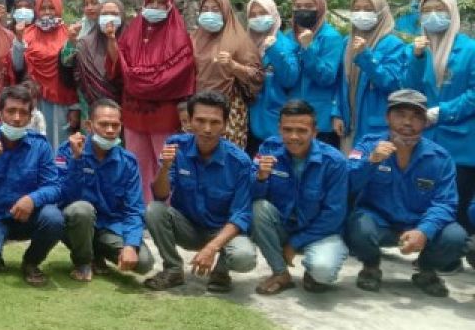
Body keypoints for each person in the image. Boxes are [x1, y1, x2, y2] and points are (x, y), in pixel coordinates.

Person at [346, 89, 468, 297]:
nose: (408, 123)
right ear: (387, 117)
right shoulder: (367, 145)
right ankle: (371, 266)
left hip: (419, 223)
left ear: (425, 122)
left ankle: (426, 268)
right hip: (378, 222)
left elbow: (446, 203)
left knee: (456, 237)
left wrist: (424, 231)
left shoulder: (440, 157)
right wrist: (371, 162)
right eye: (400, 115)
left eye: (416, 117)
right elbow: (346, 184)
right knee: (357, 227)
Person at [143, 90, 258, 293]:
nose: (207, 129)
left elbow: (241, 215)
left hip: (221, 232)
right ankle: (173, 269)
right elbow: (160, 195)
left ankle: (221, 272)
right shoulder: (176, 146)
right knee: (154, 210)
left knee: (244, 257)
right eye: (200, 120)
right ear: (189, 121)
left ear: (224, 124)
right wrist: (165, 167)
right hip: (188, 227)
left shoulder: (239, 162)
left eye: (214, 122)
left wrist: (212, 248)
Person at [0, 84, 65, 286]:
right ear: (0, 113)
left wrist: (32, 199)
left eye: (23, 113)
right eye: (11, 111)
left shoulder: (40, 145)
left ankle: (31, 262)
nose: (17, 118)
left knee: (54, 218)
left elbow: (55, 187)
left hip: (25, 215)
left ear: (30, 117)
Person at [251, 100, 349, 295]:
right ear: (279, 129)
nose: (293, 136)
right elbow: (251, 196)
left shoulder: (334, 161)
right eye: (287, 130)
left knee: (323, 271)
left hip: (321, 232)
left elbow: (334, 215)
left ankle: (313, 270)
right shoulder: (268, 149)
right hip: (284, 226)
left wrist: (295, 244)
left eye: (302, 131)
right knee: (258, 208)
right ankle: (280, 273)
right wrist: (260, 178)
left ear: (314, 132)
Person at [111, 0, 197, 203]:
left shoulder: (179, 36)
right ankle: (137, 209)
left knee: (165, 161)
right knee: (136, 161)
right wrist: (147, 77)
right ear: (144, 4)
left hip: (164, 116)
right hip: (134, 113)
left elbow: (178, 73)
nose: (156, 7)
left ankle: (165, 212)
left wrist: (138, 78)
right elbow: (118, 66)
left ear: (170, 6)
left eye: (161, 3)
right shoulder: (132, 32)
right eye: (152, 2)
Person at [402, 0, 475, 232]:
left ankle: (453, 250)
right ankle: (427, 246)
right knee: (424, 195)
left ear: (453, 13)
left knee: (456, 199)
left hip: (459, 137)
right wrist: (417, 58)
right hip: (423, 136)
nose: (433, 15)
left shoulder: (469, 49)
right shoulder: (417, 48)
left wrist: (440, 112)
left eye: (439, 10)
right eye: (426, 11)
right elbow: (408, 89)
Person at [57, 99, 153, 281]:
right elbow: (63, 197)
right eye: (103, 124)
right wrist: (76, 160)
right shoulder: (67, 151)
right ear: (89, 125)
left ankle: (97, 254)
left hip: (109, 227)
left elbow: (134, 208)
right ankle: (83, 261)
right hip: (75, 223)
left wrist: (131, 245)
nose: (110, 130)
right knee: (81, 209)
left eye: (115, 125)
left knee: (144, 263)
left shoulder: (128, 161)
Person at [192, 0, 264, 148]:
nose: (209, 14)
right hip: (198, 106)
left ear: (225, 11)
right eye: (205, 9)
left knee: (227, 156)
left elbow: (257, 75)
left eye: (215, 10)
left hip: (229, 108)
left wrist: (234, 66)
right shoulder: (194, 39)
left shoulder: (240, 40)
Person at [340, 0, 405, 151]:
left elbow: (392, 83)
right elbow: (339, 82)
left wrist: (365, 56)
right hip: (347, 124)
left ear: (381, 12)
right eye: (357, 9)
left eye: (368, 9)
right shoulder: (347, 42)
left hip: (375, 126)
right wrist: (336, 113)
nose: (361, 14)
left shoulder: (393, 44)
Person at [16, 0, 80, 147]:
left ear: (58, 8)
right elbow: (17, 66)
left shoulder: (68, 34)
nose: (46, 12)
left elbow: (74, 73)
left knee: (59, 144)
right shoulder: (27, 33)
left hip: (61, 100)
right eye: (43, 8)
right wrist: (18, 40)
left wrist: (74, 107)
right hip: (33, 100)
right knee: (32, 143)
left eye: (51, 8)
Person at [288, 0, 345, 147]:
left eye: (309, 6)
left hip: (321, 120)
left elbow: (327, 77)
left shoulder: (330, 37)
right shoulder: (289, 35)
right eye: (298, 6)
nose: (302, 10)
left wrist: (308, 48)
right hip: (292, 115)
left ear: (319, 8)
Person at [59, 0, 125, 133]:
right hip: (89, 107)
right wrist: (71, 42)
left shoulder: (131, 42)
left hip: (123, 110)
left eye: (114, 14)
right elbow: (68, 65)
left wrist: (112, 40)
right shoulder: (85, 43)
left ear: (122, 17)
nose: (109, 18)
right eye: (105, 14)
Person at [245, 0, 299, 154]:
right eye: (253, 15)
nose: (257, 18)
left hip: (273, 121)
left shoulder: (284, 44)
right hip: (246, 121)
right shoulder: (245, 43)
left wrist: (273, 50)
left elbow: (290, 79)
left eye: (262, 13)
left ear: (274, 15)